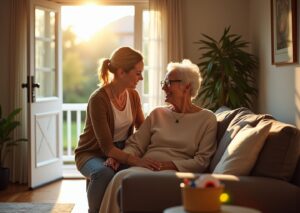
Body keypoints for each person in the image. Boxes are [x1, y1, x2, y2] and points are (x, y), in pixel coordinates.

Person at [99, 59, 218, 213]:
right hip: (146, 167)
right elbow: (135, 144)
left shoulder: (207, 119)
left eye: (169, 82)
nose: (163, 86)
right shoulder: (158, 113)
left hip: (176, 174)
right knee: (121, 177)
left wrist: (165, 165)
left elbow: (202, 161)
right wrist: (119, 157)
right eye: (164, 81)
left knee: (130, 180)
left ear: (187, 87)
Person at [74, 47, 160, 213]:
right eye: (138, 73)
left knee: (138, 174)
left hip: (120, 149)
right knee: (103, 173)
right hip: (91, 153)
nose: (141, 78)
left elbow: (142, 130)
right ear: (121, 72)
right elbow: (107, 148)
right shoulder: (98, 99)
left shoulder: (133, 96)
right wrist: (135, 160)